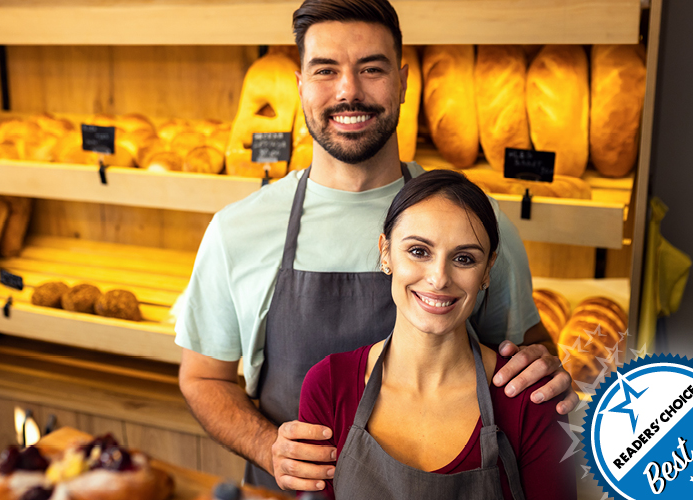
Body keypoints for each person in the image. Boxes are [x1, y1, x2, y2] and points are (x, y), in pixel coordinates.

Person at [176, 0, 578, 491]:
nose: (349, 91)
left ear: (404, 81)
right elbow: (203, 378)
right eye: (326, 70)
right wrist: (268, 447)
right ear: (300, 85)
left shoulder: (477, 222)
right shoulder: (236, 231)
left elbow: (526, 347)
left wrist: (544, 366)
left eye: (371, 69)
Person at [299, 169, 577, 500]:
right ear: (385, 252)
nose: (439, 278)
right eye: (419, 251)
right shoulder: (330, 385)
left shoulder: (530, 399)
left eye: (464, 258)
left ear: (488, 270)